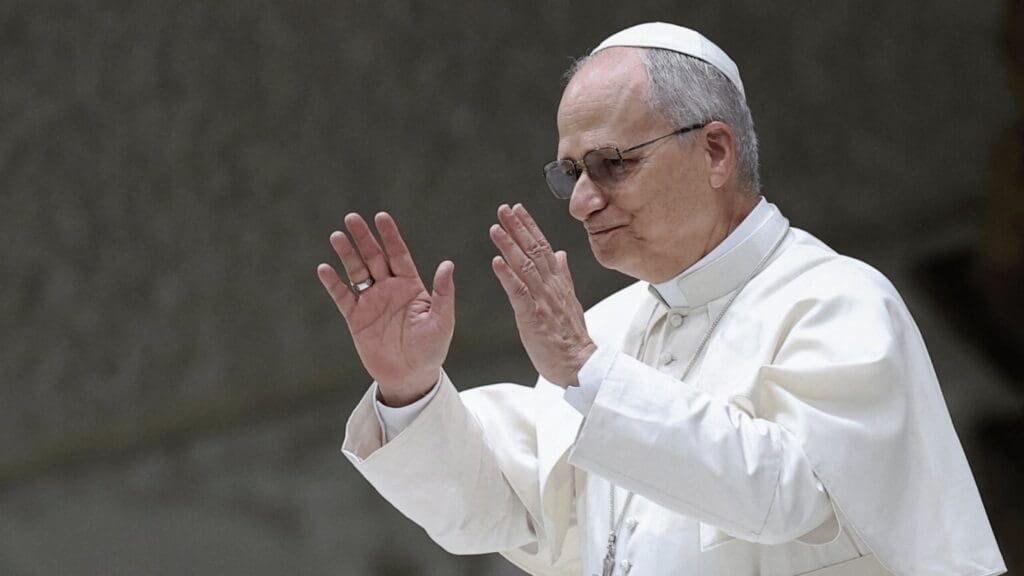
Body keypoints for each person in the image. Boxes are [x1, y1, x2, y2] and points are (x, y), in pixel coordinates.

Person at [317, 22, 1005, 576]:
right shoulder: (610, 328)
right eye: (570, 173)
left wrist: (586, 368)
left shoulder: (838, 301)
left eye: (611, 164)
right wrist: (409, 387)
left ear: (715, 152)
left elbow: (787, 494)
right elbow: (509, 509)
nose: (582, 201)